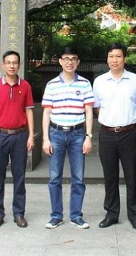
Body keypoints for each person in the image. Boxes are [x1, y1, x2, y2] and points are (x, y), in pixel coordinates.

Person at [92, 42, 136, 230]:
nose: (114, 60)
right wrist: (110, 120)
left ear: (124, 58)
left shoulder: (135, 80)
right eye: (111, 56)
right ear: (107, 59)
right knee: (110, 176)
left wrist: (128, 120)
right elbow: (96, 108)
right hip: (107, 134)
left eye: (118, 56)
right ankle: (111, 214)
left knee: (132, 175)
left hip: (128, 134)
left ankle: (134, 215)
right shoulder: (99, 82)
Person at [41, 46, 95, 229]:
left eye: (73, 58)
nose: (69, 62)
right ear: (60, 61)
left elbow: (89, 111)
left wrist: (88, 136)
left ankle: (76, 216)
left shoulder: (85, 84)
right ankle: (56, 216)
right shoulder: (52, 84)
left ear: (78, 62)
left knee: (78, 178)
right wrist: (46, 138)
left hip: (77, 134)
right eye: (66, 58)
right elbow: (46, 112)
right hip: (56, 134)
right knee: (54, 177)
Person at [0, 50, 35, 229]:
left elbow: (29, 111)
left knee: (19, 176)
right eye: (8, 62)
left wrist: (31, 135)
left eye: (15, 62)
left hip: (20, 135)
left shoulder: (25, 86)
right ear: (3, 64)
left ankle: (19, 213)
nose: (12, 65)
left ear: (19, 65)